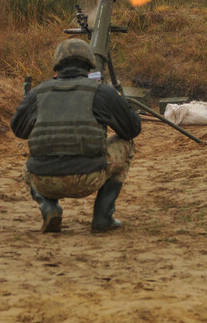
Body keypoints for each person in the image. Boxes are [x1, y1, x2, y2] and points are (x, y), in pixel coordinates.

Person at [10, 39, 142, 233]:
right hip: (88, 179)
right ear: (89, 64)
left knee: (27, 167)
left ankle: (48, 206)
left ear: (57, 65)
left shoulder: (38, 92)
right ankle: (103, 216)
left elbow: (18, 129)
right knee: (126, 144)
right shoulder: (101, 91)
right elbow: (131, 130)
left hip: (44, 180)